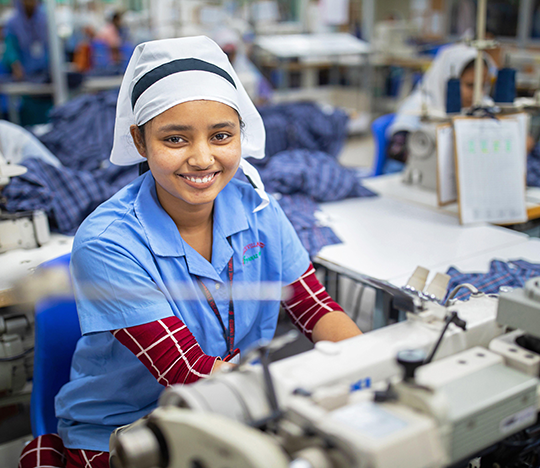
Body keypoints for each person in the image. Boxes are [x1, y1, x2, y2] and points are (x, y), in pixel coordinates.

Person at [20, 36, 363, 468]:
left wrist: (369, 370)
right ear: (140, 142)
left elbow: (315, 308)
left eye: (221, 135)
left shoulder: (259, 209)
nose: (202, 159)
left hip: (234, 402)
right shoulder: (108, 241)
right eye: (176, 139)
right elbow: (186, 372)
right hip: (130, 431)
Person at [387, 43, 496, 164]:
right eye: (470, 85)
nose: (478, 94)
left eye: (483, 85)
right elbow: (396, 150)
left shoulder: (486, 107)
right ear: (445, 80)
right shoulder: (420, 104)